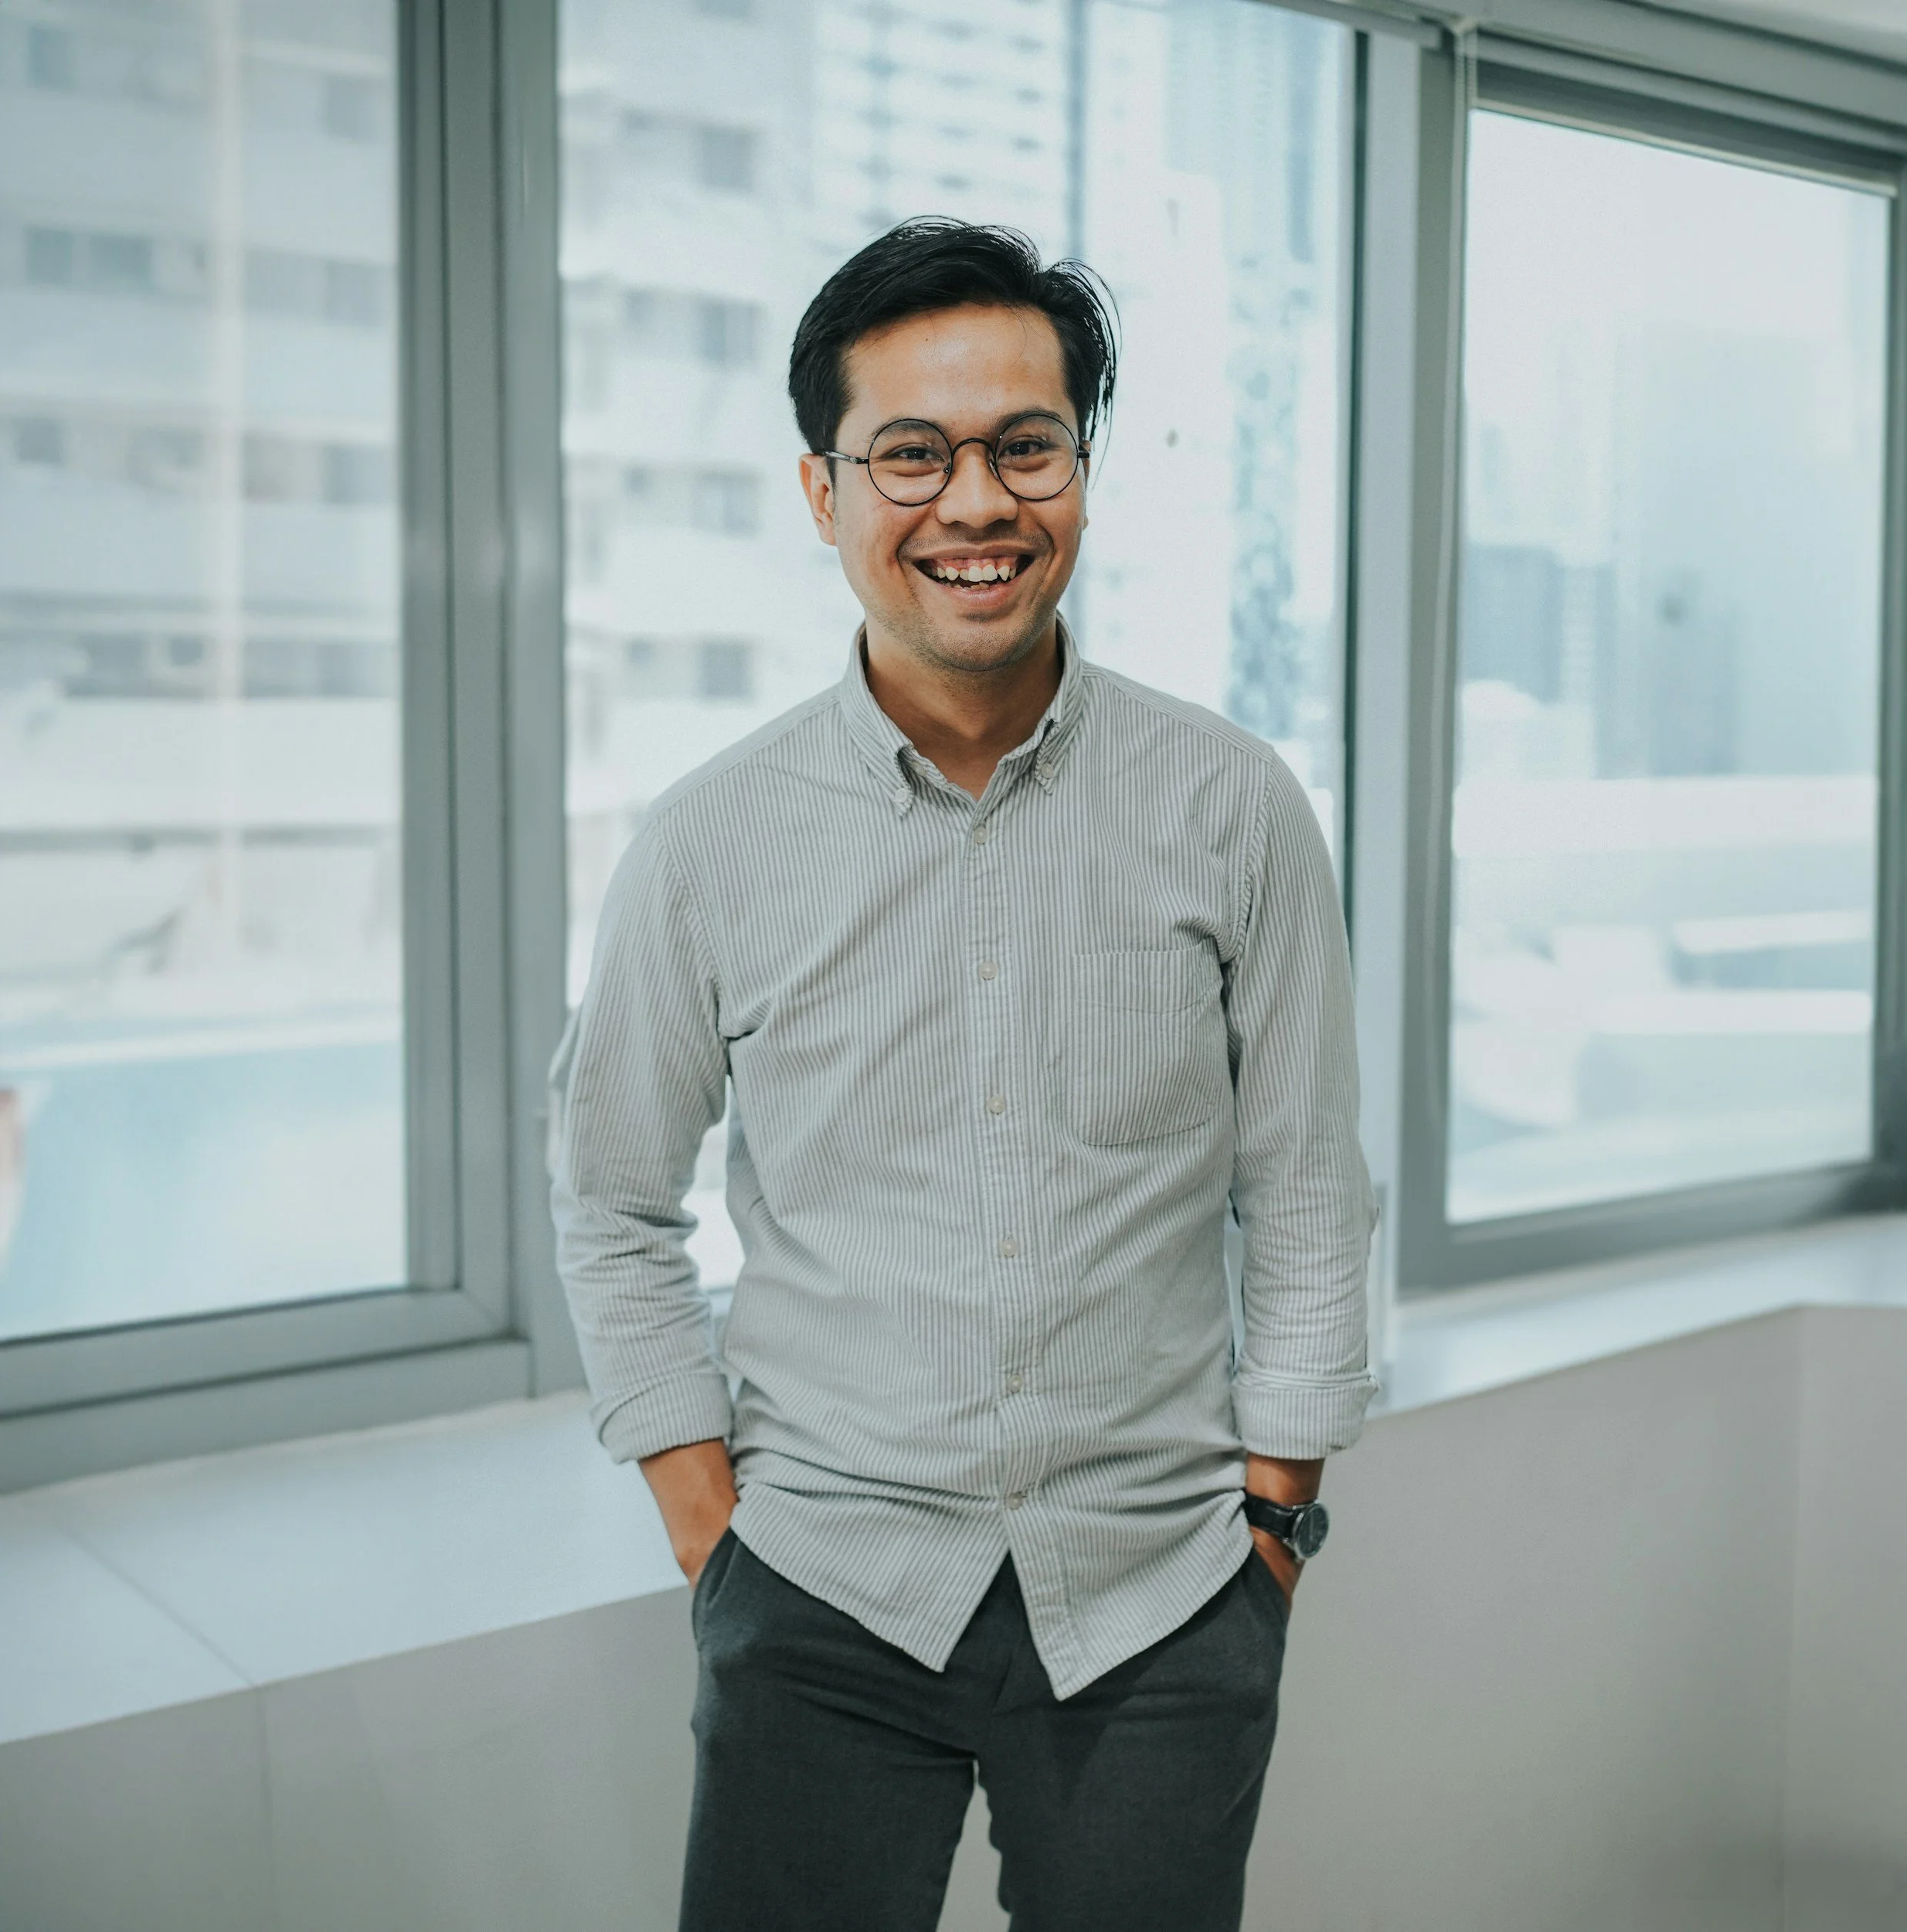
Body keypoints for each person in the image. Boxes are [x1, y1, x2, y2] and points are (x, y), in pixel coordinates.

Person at [549, 218, 1377, 1932]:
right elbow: (613, 1195)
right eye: (910, 454)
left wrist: (1275, 1523)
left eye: (1027, 444)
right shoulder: (709, 842)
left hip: (1159, 1603)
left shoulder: (1233, 806)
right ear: (823, 489)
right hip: (821, 1599)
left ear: (1082, 463)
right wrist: (714, 1535)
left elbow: (1301, 1178)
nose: (977, 504)